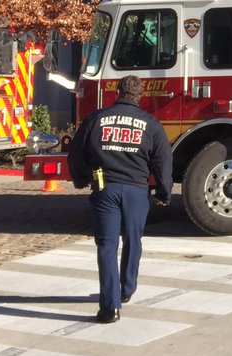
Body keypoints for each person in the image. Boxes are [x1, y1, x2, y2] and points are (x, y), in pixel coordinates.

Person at [68, 74, 173, 323]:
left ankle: (110, 307)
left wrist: (81, 179)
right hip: (137, 191)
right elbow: (163, 160)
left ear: (118, 91)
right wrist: (163, 191)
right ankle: (126, 289)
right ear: (140, 95)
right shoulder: (151, 123)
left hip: (106, 189)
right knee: (133, 240)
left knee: (107, 245)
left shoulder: (96, 119)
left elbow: (76, 154)